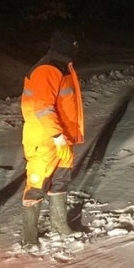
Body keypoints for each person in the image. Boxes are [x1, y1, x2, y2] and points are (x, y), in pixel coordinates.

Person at [20, 28, 84, 246]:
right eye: (74, 45)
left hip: (61, 138)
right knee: (37, 184)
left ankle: (60, 225)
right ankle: (29, 238)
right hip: (45, 139)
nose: (77, 49)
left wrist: (64, 137)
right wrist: (57, 136)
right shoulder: (47, 69)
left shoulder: (63, 67)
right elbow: (42, 108)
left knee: (60, 181)